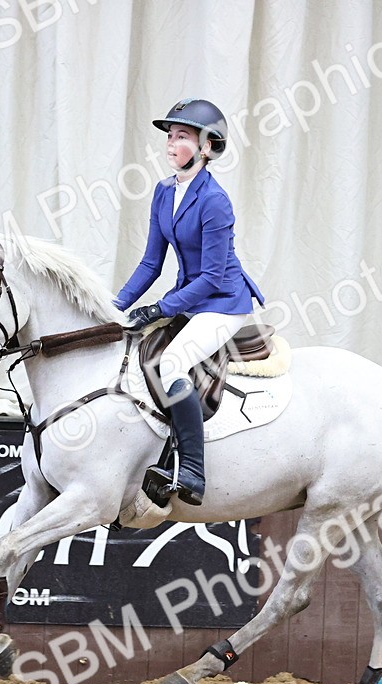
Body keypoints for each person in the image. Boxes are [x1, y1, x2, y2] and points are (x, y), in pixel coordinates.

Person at [114, 98, 266, 506]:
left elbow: (213, 277)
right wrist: (116, 307)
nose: (170, 143)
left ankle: (193, 472)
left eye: (181, 136)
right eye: (169, 135)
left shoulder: (215, 200)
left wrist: (161, 308)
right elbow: (150, 262)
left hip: (222, 303)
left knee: (172, 362)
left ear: (205, 146)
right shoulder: (165, 193)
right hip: (188, 299)